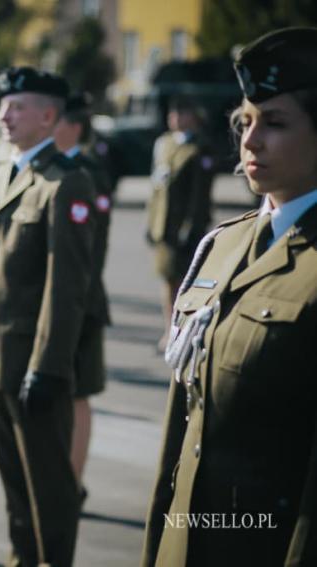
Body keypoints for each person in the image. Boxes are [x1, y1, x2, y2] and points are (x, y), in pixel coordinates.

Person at [143, 27, 317, 566]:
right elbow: (181, 431)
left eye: (276, 123)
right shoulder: (222, 245)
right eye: (246, 121)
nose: (251, 139)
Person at [0, 67, 96, 567]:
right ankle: (22, 557)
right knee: (13, 479)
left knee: (48, 487)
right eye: (3, 106)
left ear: (49, 115)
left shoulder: (66, 183)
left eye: (18, 107)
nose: (5, 116)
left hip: (35, 362)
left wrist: (49, 365)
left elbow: (67, 289)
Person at [53, 92, 114, 498]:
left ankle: (71, 483)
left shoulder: (89, 172)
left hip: (82, 303)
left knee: (77, 395)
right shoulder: (47, 168)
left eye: (53, 119)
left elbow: (94, 248)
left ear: (73, 126)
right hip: (47, 304)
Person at [146, 95, 215, 351]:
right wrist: (151, 221)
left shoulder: (200, 148)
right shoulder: (164, 143)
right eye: (172, 113)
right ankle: (169, 330)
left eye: (181, 113)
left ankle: (186, 333)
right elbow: (156, 187)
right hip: (164, 225)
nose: (174, 118)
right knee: (167, 280)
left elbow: (200, 194)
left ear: (193, 117)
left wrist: (192, 228)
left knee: (188, 283)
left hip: (187, 228)